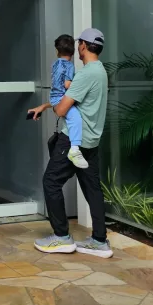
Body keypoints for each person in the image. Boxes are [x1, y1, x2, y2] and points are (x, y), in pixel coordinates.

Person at [29, 28, 112, 258]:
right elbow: (76, 101)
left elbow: (64, 107)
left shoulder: (85, 74)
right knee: (92, 189)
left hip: (74, 139)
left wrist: (53, 107)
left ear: (84, 46)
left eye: (79, 44)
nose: (78, 48)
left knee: (51, 181)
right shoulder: (100, 71)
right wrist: (45, 107)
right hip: (91, 140)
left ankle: (62, 237)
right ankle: (99, 240)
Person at [50, 34, 88, 169]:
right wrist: (79, 85)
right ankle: (74, 149)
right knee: (76, 119)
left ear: (57, 51)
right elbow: (67, 84)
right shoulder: (69, 66)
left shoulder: (55, 64)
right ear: (73, 52)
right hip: (61, 97)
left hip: (54, 97)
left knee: (71, 118)